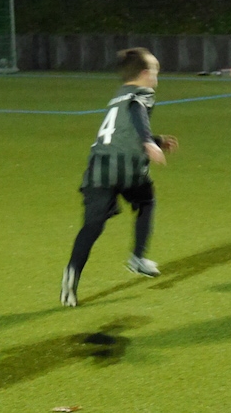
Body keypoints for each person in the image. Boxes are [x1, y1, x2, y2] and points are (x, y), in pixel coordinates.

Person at [60, 47, 178, 307]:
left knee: (92, 226)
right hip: (127, 168)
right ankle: (137, 258)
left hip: (98, 168)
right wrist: (149, 142)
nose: (157, 77)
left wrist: (156, 140)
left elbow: (121, 132)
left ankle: (72, 272)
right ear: (145, 74)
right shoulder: (142, 94)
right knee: (146, 202)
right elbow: (137, 111)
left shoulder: (119, 95)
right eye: (155, 71)